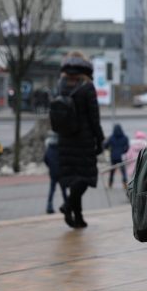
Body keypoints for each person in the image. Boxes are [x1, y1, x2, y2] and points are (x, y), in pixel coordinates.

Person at [57, 52, 104, 228]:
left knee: (73, 178)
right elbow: (94, 117)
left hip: (64, 138)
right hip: (83, 140)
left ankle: (78, 217)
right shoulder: (87, 86)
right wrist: (100, 140)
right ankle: (68, 205)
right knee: (84, 178)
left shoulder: (61, 84)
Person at [43, 131, 67, 214]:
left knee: (52, 190)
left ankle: (49, 206)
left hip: (53, 173)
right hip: (61, 173)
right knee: (64, 190)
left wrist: (51, 167)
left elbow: (45, 159)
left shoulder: (49, 148)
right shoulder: (62, 147)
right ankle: (67, 205)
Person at [103, 123, 130, 189]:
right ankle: (125, 184)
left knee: (112, 171)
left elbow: (105, 145)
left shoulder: (111, 137)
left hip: (113, 156)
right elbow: (127, 147)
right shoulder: (125, 137)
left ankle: (110, 184)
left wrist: (110, 149)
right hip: (121, 157)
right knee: (123, 171)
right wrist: (123, 151)